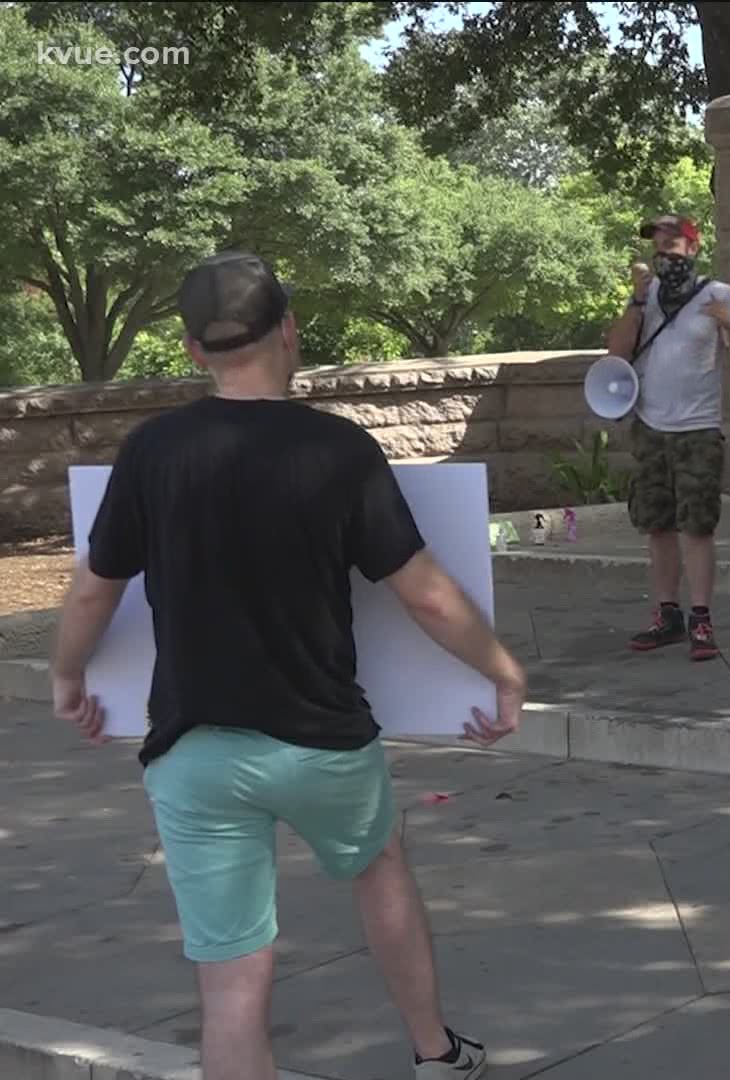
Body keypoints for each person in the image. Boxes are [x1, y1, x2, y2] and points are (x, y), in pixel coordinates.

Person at [48, 252, 525, 1080]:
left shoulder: (152, 450)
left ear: (196, 350)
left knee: (231, 987)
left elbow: (94, 594)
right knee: (379, 865)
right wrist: (502, 672)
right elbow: (427, 597)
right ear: (290, 331)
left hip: (194, 750)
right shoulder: (339, 450)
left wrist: (66, 677)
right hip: (323, 743)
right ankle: (435, 1052)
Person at [604, 213, 730, 662]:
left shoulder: (719, 294)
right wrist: (634, 300)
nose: (664, 251)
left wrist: (729, 325)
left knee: (697, 527)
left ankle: (701, 619)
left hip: (698, 430)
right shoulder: (647, 296)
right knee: (658, 525)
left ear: (693, 247)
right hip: (651, 429)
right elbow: (615, 355)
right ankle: (666, 615)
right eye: (658, 244)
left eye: (673, 243)